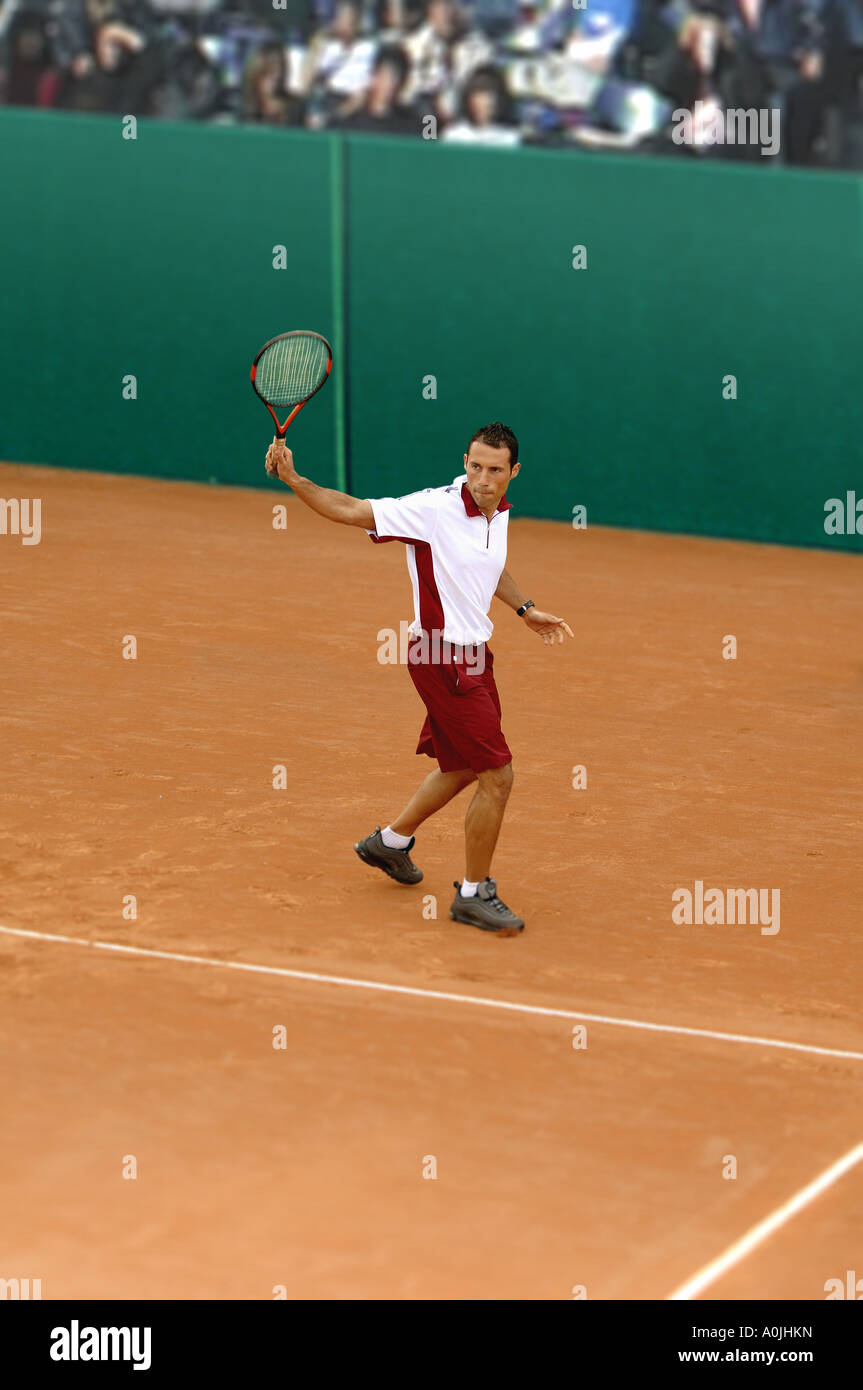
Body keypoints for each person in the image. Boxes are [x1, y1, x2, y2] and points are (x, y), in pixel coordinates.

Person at [265, 422, 573, 936]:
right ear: (466, 461)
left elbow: (488, 566)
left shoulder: (497, 515)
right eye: (475, 466)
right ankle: (474, 895)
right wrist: (296, 480)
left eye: (495, 470)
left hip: (475, 655)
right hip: (440, 657)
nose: (482, 479)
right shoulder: (433, 509)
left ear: (513, 473)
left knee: (461, 767)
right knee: (498, 776)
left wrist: (525, 608)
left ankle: (390, 842)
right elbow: (352, 509)